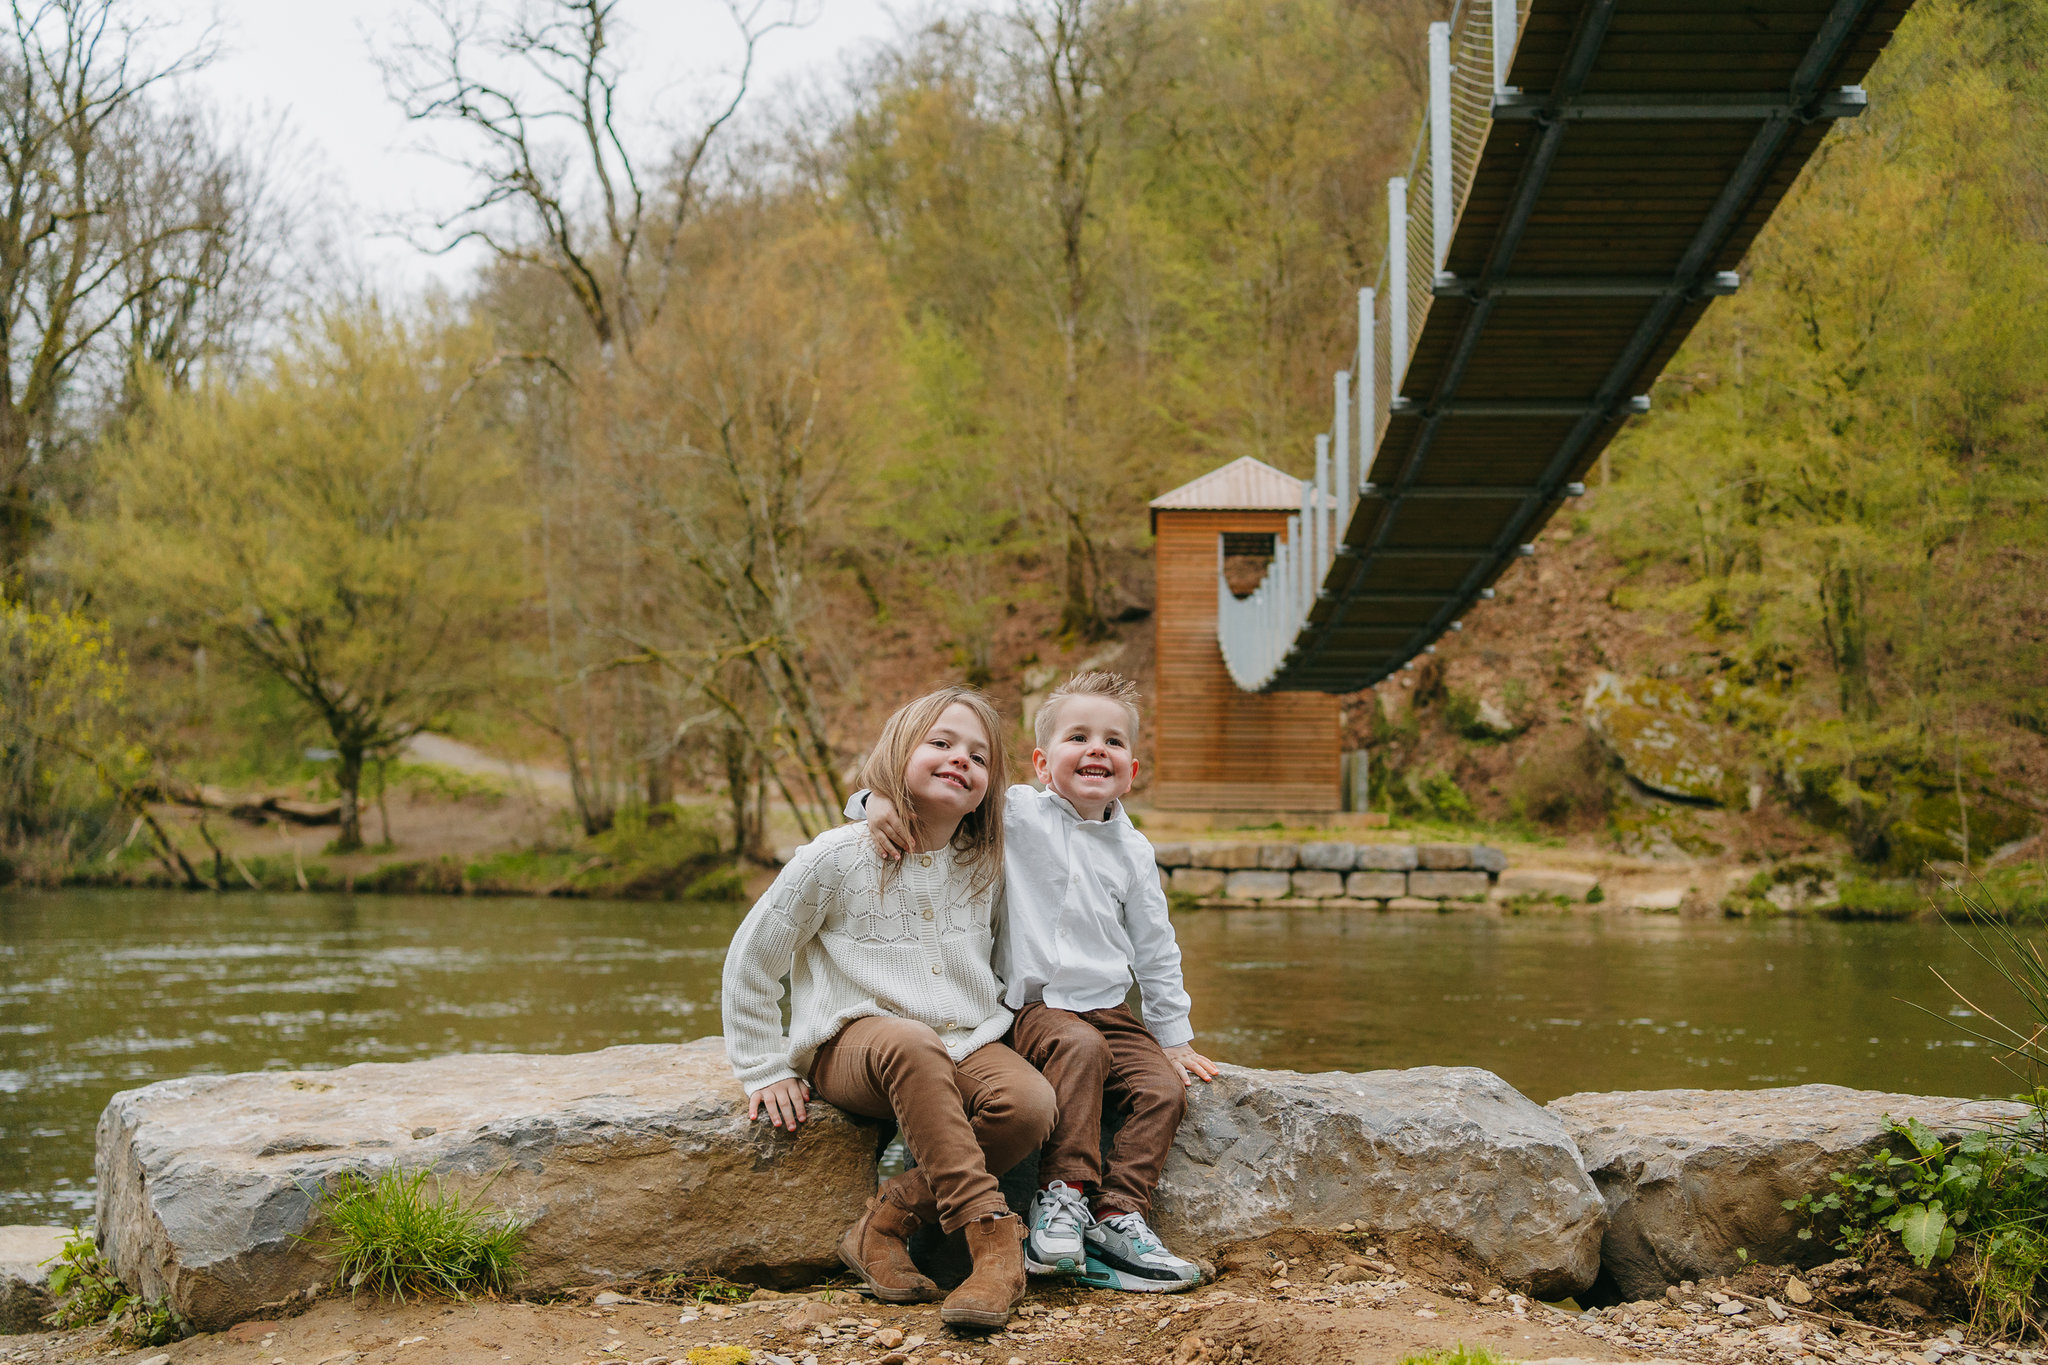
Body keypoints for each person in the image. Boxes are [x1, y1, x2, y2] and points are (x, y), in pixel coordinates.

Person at [856, 672, 1221, 1294]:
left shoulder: (1134, 850)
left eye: (1112, 741)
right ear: (1041, 761)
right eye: (1078, 737)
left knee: (1163, 1087)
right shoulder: (1018, 812)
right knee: (1080, 1051)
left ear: (1132, 769)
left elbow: (1157, 949)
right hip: (1034, 1006)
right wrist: (874, 803)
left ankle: (1119, 1216)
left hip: (1109, 1006)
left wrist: (1174, 1036)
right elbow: (940, 793)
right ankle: (1061, 1195)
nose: (1096, 749)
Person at [721, 686, 1055, 1330]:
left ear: (991, 784)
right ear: (898, 752)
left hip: (964, 1040)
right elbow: (751, 957)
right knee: (908, 1041)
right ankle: (992, 1248)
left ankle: (884, 1223)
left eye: (979, 756)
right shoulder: (838, 856)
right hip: (856, 1048)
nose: (961, 759)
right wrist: (763, 1065)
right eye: (940, 743)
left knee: (1029, 1104)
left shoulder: (985, 862)